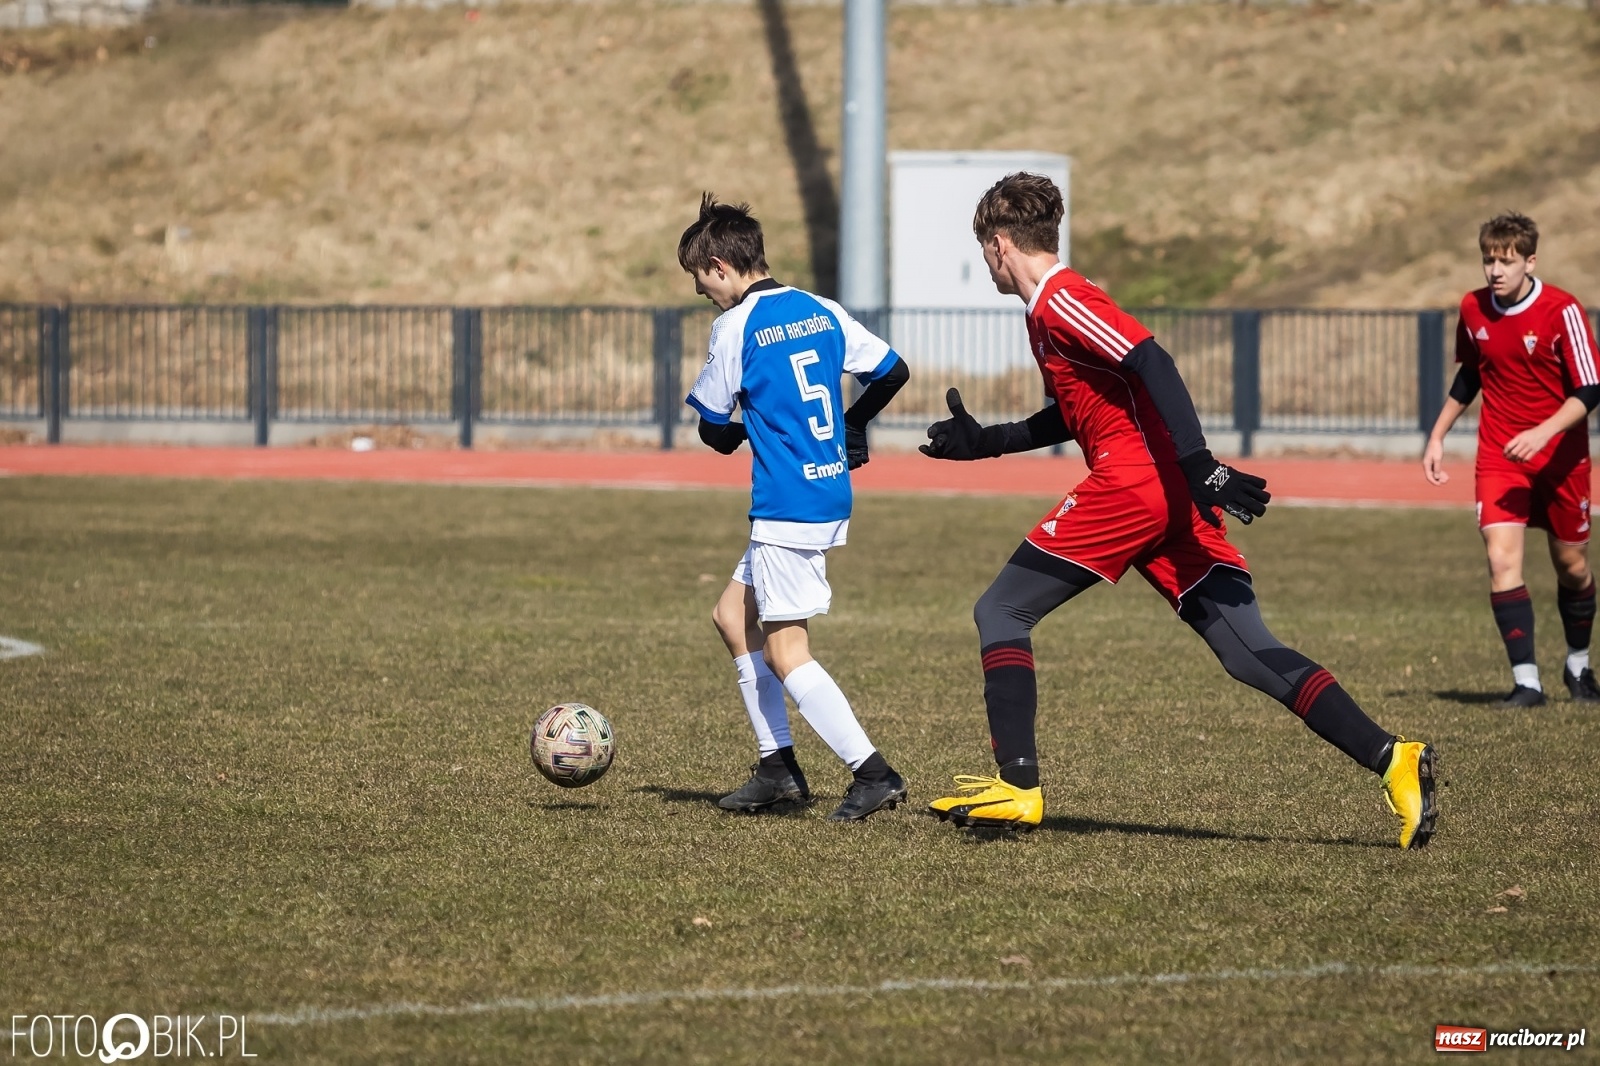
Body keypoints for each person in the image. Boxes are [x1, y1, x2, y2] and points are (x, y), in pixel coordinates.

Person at [921, 172, 1437, 849]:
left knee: (1002, 611)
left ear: (998, 244)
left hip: (1134, 488)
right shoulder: (1050, 311)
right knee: (1247, 651)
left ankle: (1018, 787)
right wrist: (991, 442)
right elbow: (1084, 411)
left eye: (984, 250)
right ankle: (1393, 757)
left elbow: (1150, 360)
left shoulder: (1060, 301)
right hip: (1168, 498)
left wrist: (1202, 464)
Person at [679, 193, 911, 821]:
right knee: (733, 616)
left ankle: (873, 773)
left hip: (787, 503)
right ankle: (777, 768)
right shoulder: (821, 308)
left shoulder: (736, 326)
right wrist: (851, 427)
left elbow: (713, 429)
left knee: (786, 652)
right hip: (825, 487)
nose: (704, 294)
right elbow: (892, 371)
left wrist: (743, 424)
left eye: (701, 282)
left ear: (721, 265)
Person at [1423, 212, 1600, 708]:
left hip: (1562, 460)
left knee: (1572, 565)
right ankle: (1527, 683)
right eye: (1488, 260)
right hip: (1500, 457)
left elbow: (1590, 388)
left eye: (1506, 261)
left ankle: (1578, 666)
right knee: (1501, 561)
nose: (1495, 271)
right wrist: (1437, 436)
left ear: (1530, 261)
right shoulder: (1474, 308)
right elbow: (1469, 377)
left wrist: (1542, 433)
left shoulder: (1562, 310)